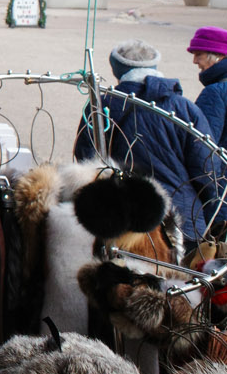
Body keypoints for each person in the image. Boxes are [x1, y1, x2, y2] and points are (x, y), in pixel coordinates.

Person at [74, 39, 226, 248]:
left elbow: (87, 162)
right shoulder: (184, 108)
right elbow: (208, 169)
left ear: (118, 70)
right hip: (182, 222)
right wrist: (202, 214)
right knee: (181, 280)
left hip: (124, 224)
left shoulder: (103, 105)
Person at [191, 26, 227, 146]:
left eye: (199, 54)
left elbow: (204, 146)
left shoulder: (215, 92)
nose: (194, 61)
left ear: (219, 56)